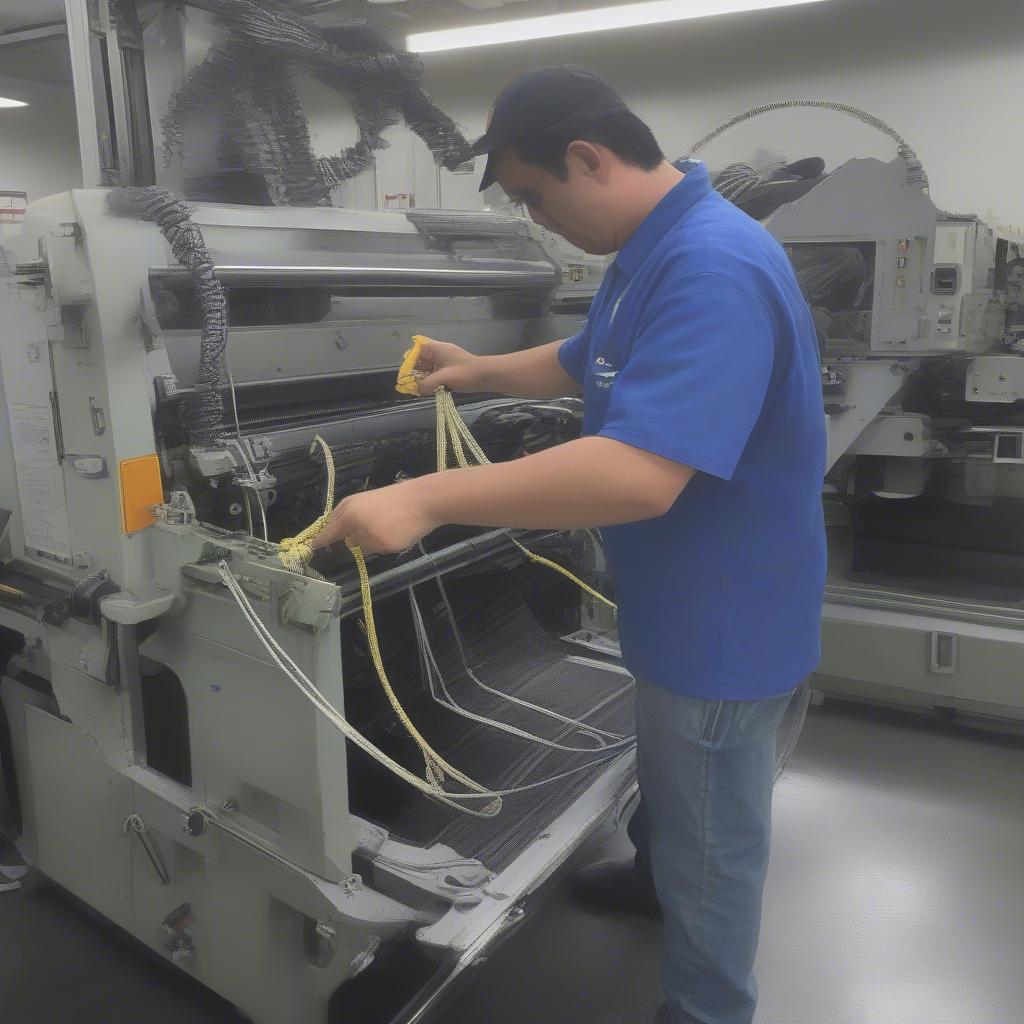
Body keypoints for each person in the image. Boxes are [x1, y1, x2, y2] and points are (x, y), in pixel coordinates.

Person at [311, 65, 827, 1024]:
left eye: (534, 197)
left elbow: (636, 472)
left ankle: (706, 1008)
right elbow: (594, 349)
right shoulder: (656, 248)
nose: (537, 218)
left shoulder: (711, 264)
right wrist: (478, 371)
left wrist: (427, 498)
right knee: (682, 791)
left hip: (724, 622)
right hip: (687, 595)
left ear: (587, 158)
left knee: (716, 836)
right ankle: (653, 873)